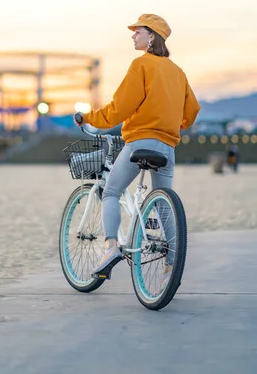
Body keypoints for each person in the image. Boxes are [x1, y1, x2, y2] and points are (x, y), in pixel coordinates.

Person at [74, 14, 200, 283]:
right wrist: (173, 121)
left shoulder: (141, 65)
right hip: (167, 147)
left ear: (152, 36)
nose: (133, 35)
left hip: (140, 142)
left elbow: (118, 109)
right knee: (163, 201)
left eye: (137, 31)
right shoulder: (177, 72)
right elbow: (192, 112)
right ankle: (172, 259)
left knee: (110, 192)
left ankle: (109, 249)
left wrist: (89, 118)